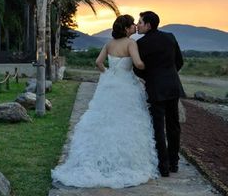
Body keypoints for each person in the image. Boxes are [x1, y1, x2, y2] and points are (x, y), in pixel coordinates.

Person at [51, 15, 159, 188]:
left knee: (103, 119)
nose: (134, 27)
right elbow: (138, 64)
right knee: (126, 121)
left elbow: (98, 62)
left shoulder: (109, 44)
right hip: (126, 87)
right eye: (131, 25)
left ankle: (98, 158)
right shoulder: (131, 44)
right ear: (125, 29)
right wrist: (151, 67)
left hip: (109, 84)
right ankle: (124, 161)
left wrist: (108, 73)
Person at [134, 11, 185, 177]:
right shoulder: (170, 37)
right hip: (172, 86)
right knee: (173, 126)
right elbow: (179, 61)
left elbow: (137, 68)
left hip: (155, 88)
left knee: (158, 127)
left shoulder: (141, 43)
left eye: (140, 22)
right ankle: (174, 163)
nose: (138, 25)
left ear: (148, 25)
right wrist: (169, 75)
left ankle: (163, 167)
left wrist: (151, 77)